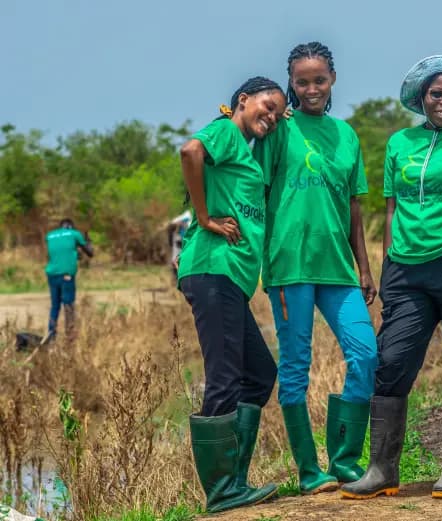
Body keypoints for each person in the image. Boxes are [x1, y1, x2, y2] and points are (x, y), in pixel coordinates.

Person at [341, 55, 442, 501]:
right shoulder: (399, 143)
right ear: (421, 98)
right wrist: (389, 259)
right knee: (391, 362)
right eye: (437, 94)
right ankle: (381, 470)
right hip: (407, 269)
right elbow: (391, 207)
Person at [252, 42, 378, 495]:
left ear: (333, 80)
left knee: (366, 355)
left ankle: (344, 460)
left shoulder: (347, 135)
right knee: (296, 368)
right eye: (302, 81)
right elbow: (255, 193)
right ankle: (309, 471)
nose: (311, 89)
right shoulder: (276, 131)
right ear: (291, 82)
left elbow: (354, 207)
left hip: (339, 269)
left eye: (318, 80)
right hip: (290, 266)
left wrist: (364, 267)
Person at [177, 77, 286, 513]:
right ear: (242, 100)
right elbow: (190, 151)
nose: (272, 116)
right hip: (211, 269)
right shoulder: (224, 129)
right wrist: (203, 217)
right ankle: (222, 493)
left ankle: (235, 480)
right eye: (266, 105)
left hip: (231, 280)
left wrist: (281, 115)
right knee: (224, 377)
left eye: (279, 111)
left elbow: (272, 123)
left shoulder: (247, 146)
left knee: (259, 375)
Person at [44, 218, 93, 343]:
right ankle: (70, 337)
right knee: (68, 304)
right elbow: (90, 253)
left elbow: (57, 253)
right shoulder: (74, 233)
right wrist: (87, 241)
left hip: (51, 273)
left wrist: (75, 254)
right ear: (71, 226)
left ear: (61, 226)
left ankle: (51, 335)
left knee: (55, 305)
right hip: (66, 274)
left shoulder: (50, 235)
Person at [167, 210, 192, 282]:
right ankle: (176, 278)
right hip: (178, 245)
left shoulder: (187, 223)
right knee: (176, 259)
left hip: (183, 244)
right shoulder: (176, 232)